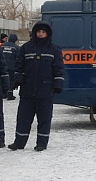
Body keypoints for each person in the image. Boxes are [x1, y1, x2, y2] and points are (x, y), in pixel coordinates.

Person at [8, 21, 65, 152]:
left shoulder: (54, 49)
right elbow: (19, 66)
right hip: (27, 90)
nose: (40, 34)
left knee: (44, 119)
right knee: (23, 118)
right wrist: (18, 79)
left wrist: (58, 84)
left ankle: (42, 143)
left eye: (43, 32)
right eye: (38, 32)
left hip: (45, 90)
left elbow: (59, 69)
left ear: (47, 34)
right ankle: (19, 142)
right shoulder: (26, 48)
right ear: (35, 33)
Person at [0, 33, 20, 100]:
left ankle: (3, 93)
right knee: (11, 80)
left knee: (3, 79)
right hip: (12, 67)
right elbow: (18, 58)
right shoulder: (16, 47)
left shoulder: (2, 46)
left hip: (2, 66)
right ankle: (10, 94)